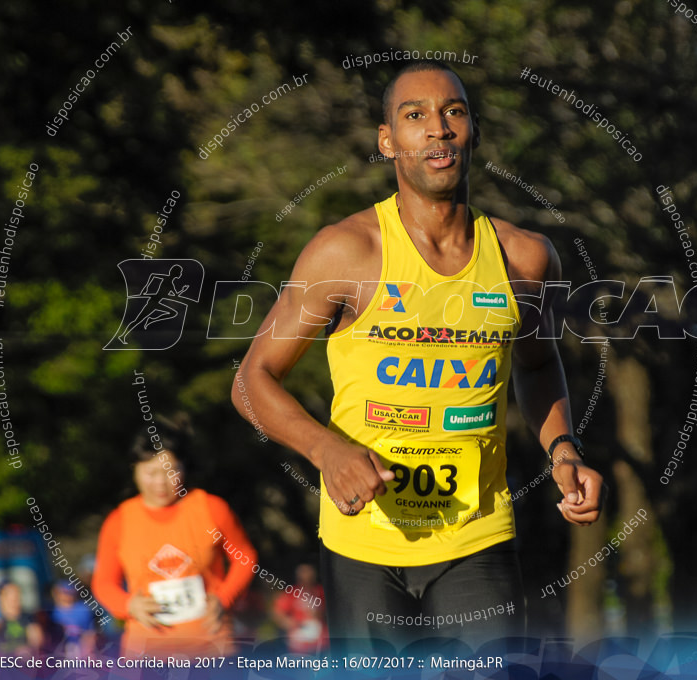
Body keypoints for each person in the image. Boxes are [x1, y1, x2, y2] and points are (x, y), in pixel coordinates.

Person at [232, 60, 605, 646]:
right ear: (388, 142)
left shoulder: (526, 260)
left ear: (473, 132)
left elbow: (536, 363)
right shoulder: (346, 253)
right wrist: (328, 450)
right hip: (364, 546)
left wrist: (563, 450)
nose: (438, 128)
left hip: (476, 540)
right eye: (415, 116)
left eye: (453, 112)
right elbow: (253, 380)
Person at [92, 421, 257, 658]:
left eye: (172, 471)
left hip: (212, 648)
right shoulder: (118, 521)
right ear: (134, 469)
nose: (161, 483)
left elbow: (245, 557)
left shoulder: (211, 508)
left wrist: (225, 597)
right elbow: (104, 583)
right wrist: (128, 605)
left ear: (184, 467)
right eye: (151, 473)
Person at [272, 564, 327, 654]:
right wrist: (289, 622)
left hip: (321, 643)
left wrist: (321, 615)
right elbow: (277, 613)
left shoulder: (321, 591)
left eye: (309, 576)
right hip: (299, 643)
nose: (306, 578)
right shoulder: (292, 592)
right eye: (303, 575)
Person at [0, 581, 43, 657]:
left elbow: (37, 642)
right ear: (0, 597)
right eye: (9, 595)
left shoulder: (28, 618)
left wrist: (28, 649)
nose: (14, 599)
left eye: (16, 595)